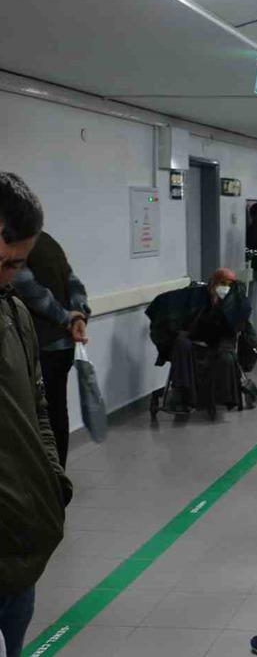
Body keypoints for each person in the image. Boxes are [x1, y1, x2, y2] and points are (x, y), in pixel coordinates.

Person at [0, 172, 72, 657]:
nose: (8, 277)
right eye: (4, 262)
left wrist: (52, 481)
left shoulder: (16, 314)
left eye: (16, 265)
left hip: (18, 545)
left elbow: (38, 408)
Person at [12, 231, 90, 467]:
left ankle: (49, 476)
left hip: (41, 346)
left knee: (40, 418)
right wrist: (78, 316)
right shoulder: (47, 240)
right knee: (56, 412)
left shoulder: (16, 244)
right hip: (62, 345)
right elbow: (74, 282)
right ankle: (58, 473)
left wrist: (67, 318)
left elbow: (30, 290)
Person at [166, 268, 253, 413]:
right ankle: (182, 393)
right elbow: (190, 322)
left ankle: (220, 397)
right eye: (223, 283)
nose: (226, 287)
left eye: (230, 284)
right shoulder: (200, 299)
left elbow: (234, 326)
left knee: (224, 357)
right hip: (197, 337)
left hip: (222, 340)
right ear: (214, 283)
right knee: (181, 343)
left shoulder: (236, 302)